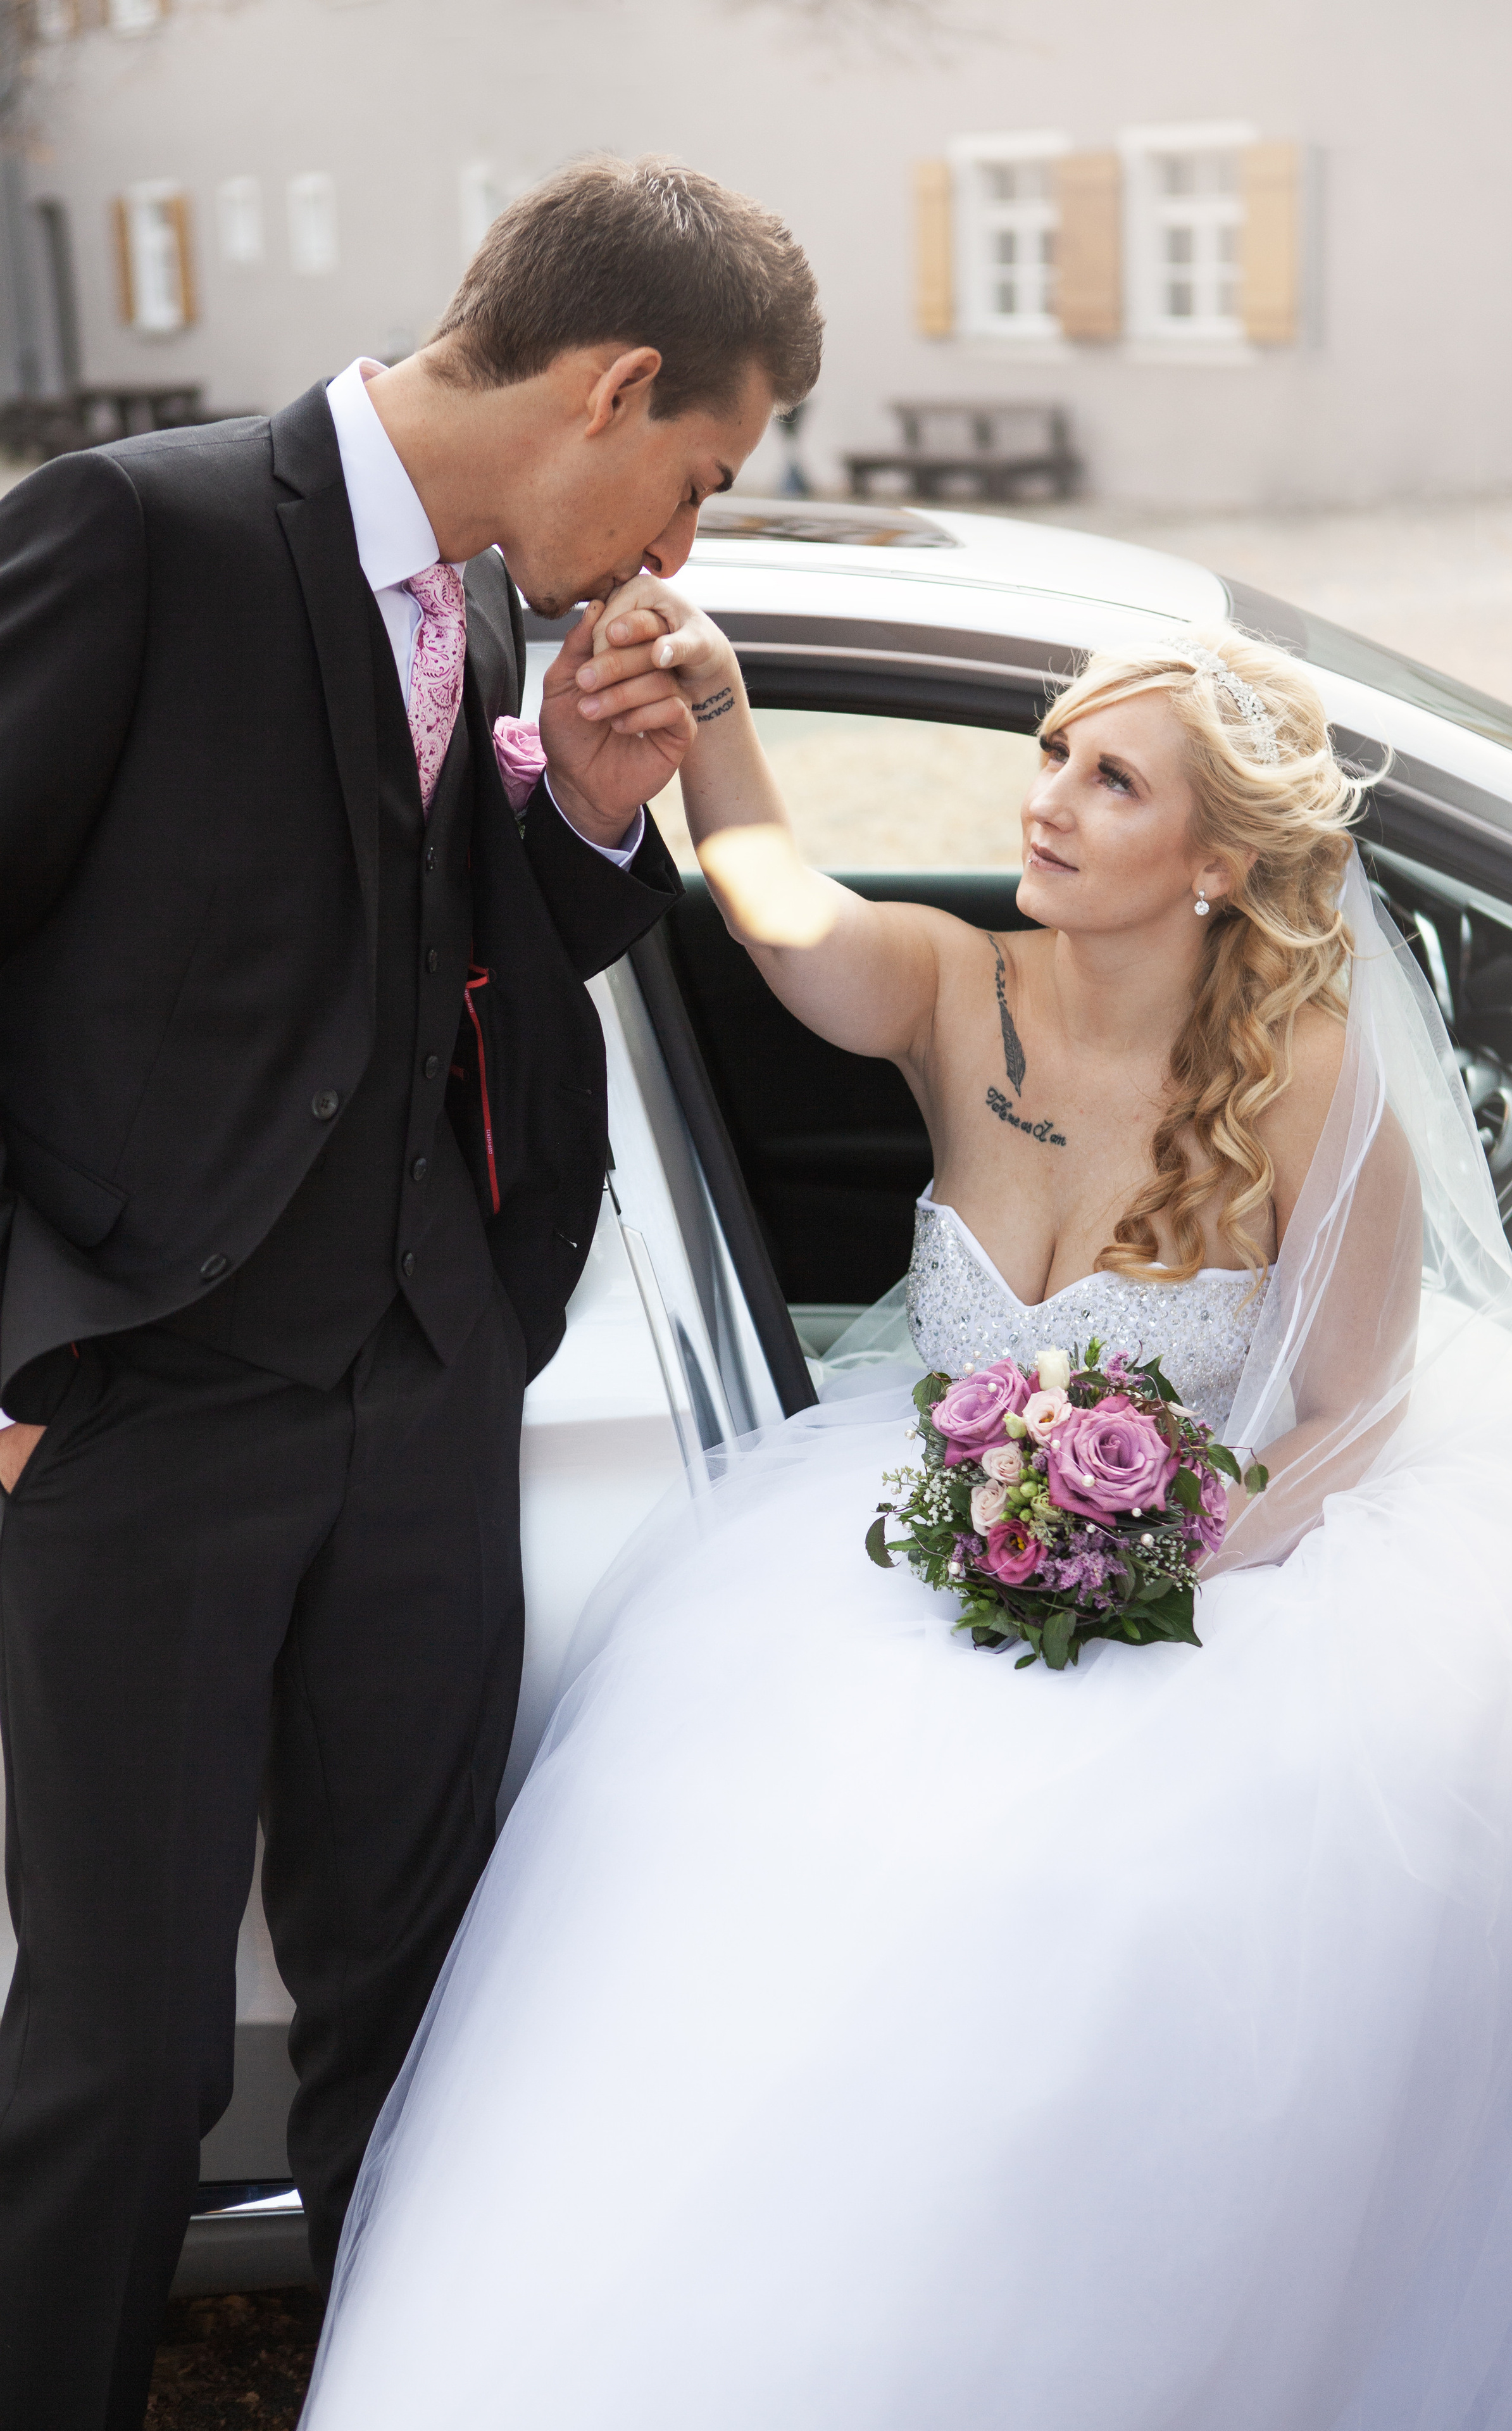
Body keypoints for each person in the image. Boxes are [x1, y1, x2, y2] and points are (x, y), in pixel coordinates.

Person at [302, 594, 1512, 2430]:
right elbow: (780, 912)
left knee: (1099, 1928)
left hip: (1209, 1584)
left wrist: (1182, 1558)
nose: (1050, 802)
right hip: (922, 1556)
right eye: (1051, 758)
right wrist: (725, 717)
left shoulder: (1312, 1077)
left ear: (1221, 863)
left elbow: (1355, 1406)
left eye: (1111, 780)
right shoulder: (950, 981)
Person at [0, 159, 821, 2431]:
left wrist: (590, 812)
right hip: (151, 1413)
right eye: (697, 477)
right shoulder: (137, 531)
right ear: (617, 382)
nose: (680, 548)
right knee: (121, 2060)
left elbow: (457, 965)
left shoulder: (476, 593)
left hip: (433, 1393)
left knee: (418, 2025)